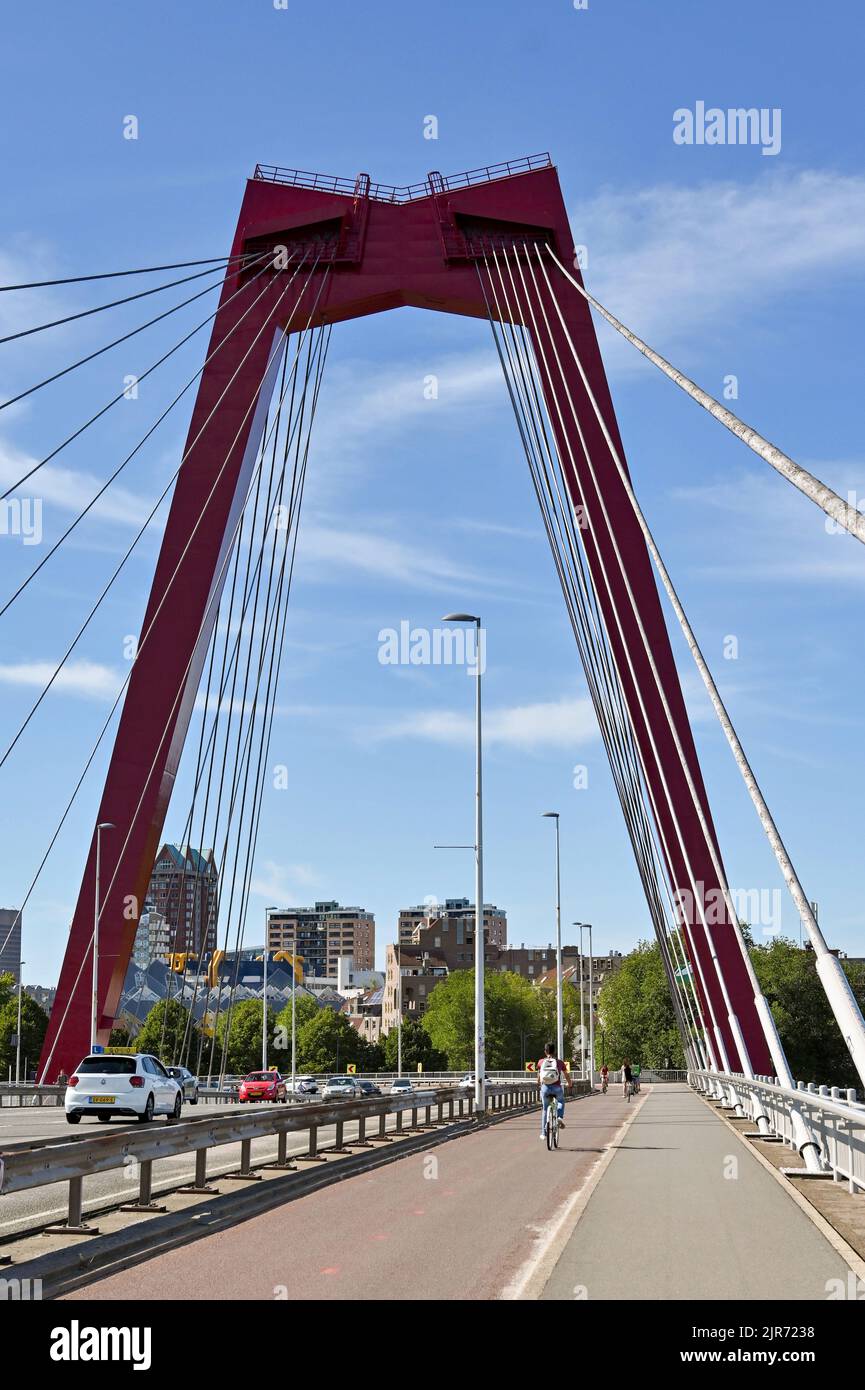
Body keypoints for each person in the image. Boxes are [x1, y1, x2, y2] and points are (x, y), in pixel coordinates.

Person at [537, 1041, 567, 1138]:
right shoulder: (559, 1062)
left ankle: (543, 1133)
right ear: (554, 1051)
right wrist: (570, 1083)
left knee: (545, 1109)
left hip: (545, 1088)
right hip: (556, 1087)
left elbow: (539, 1076)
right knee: (561, 1101)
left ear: (545, 1051)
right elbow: (566, 1075)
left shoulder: (541, 1062)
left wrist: (539, 1084)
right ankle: (559, 1117)